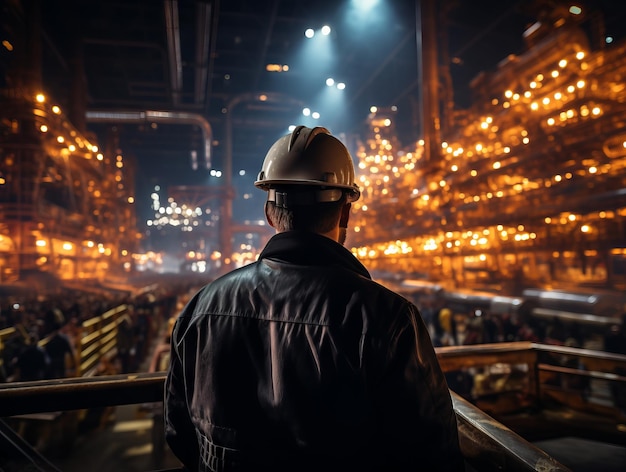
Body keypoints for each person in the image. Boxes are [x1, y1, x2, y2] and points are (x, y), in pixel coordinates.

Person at [165, 126, 463, 471]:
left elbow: (180, 435)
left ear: (269, 212)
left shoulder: (201, 308)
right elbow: (431, 453)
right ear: (345, 213)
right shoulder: (386, 317)